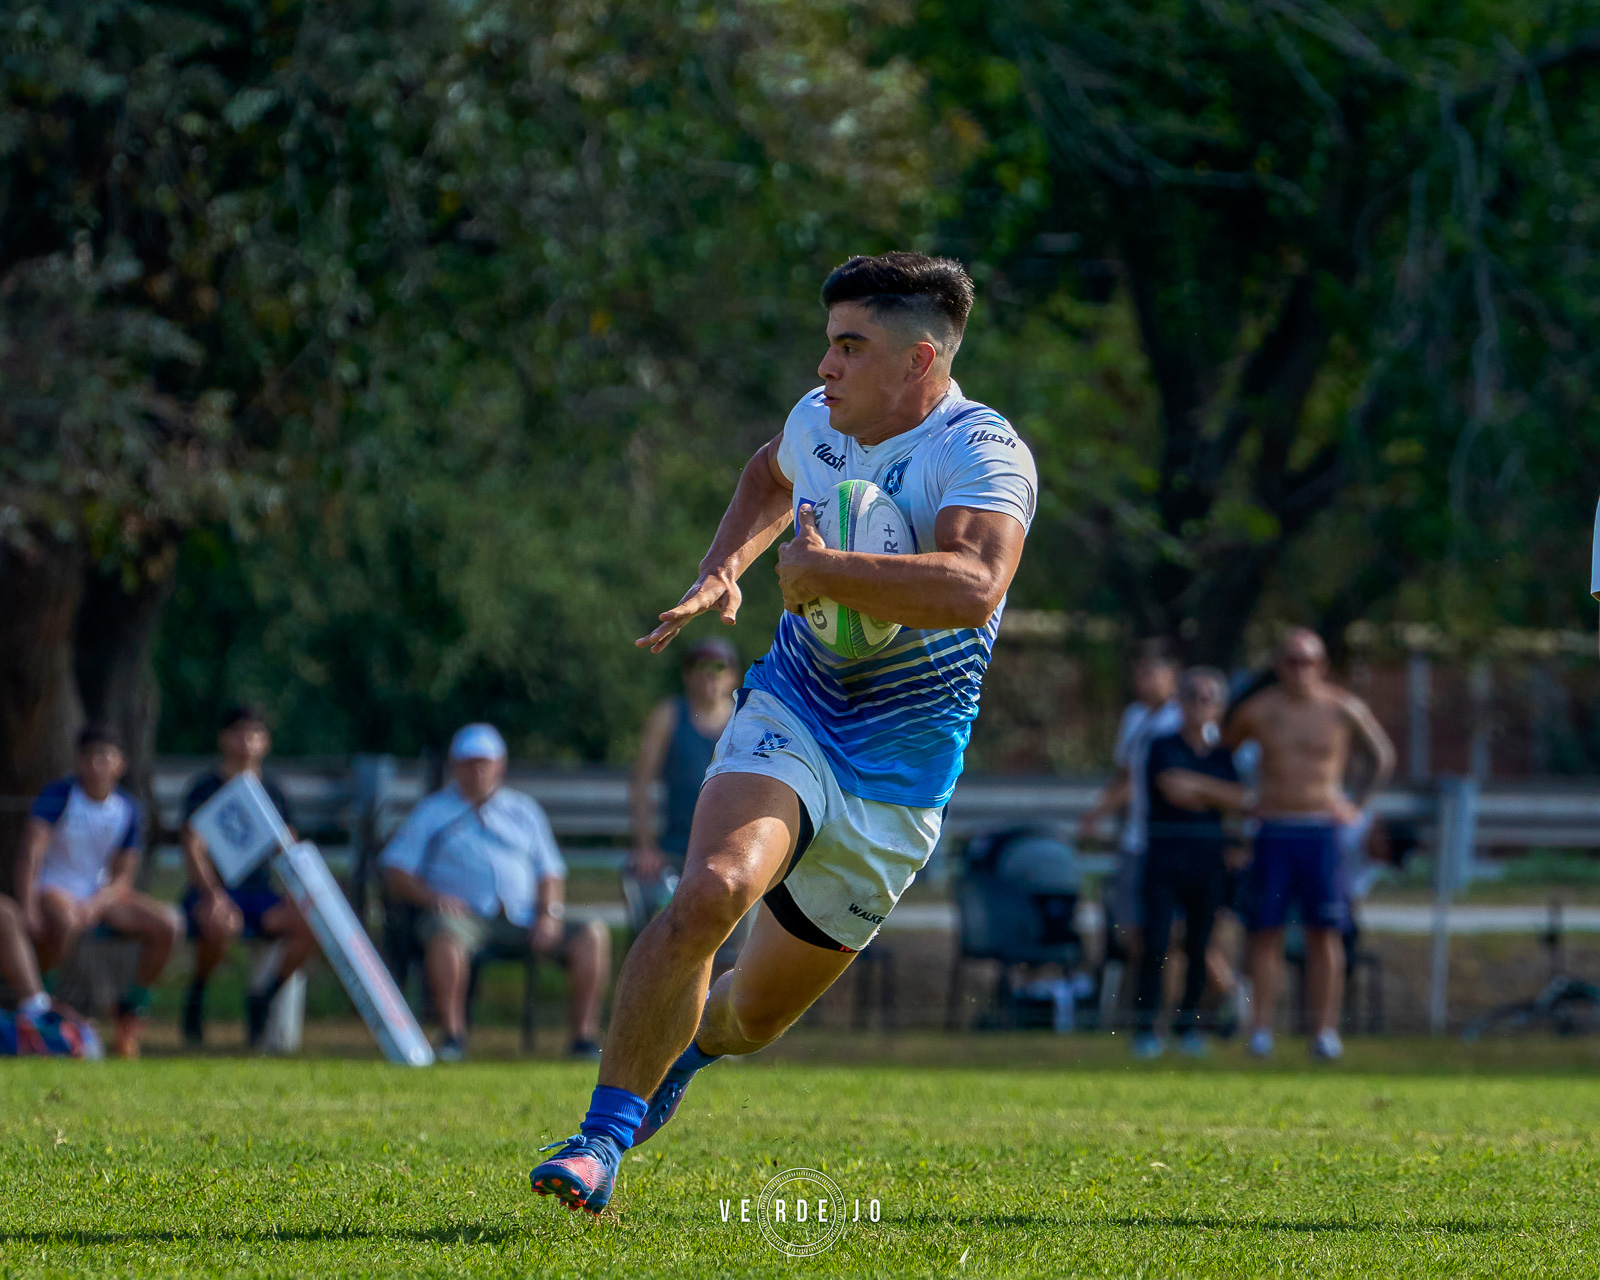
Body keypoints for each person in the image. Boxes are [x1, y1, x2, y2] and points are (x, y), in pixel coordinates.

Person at [530, 251, 1035, 1215]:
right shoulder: (819, 423)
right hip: (793, 714)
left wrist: (827, 574)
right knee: (713, 890)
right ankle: (600, 1139)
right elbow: (768, 475)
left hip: (897, 779)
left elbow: (976, 588)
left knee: (751, 1018)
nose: (827, 367)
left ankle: (690, 1052)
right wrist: (727, 566)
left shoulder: (982, 453)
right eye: (829, 343)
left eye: (852, 347)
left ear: (920, 360)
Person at [381, 723, 611, 1062]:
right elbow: (396, 871)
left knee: (593, 934)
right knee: (445, 937)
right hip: (463, 920)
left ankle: (583, 1038)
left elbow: (550, 871)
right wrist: (434, 899)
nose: (477, 770)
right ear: (454, 766)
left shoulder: (524, 811)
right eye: (468, 763)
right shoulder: (433, 811)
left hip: (524, 918)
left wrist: (549, 914)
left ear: (500, 765)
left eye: (484, 762)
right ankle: (453, 1037)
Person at [1224, 628, 1396, 1061]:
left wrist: (1355, 803)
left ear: (1321, 665)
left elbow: (1382, 756)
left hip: (1322, 830)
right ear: (1278, 665)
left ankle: (1324, 1032)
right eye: (1290, 661)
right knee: (1266, 932)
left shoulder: (1342, 708)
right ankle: (1260, 1029)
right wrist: (1241, 805)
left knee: (1325, 933)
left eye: (1308, 661)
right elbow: (1222, 755)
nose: (1299, 670)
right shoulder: (1259, 711)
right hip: (1275, 829)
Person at [17, 724, 180, 1058]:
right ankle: (43, 1011)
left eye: (105, 756)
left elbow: (123, 877)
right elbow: (32, 853)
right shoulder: (59, 795)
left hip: (100, 894)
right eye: (90, 756)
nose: (97, 764)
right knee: (68, 922)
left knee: (168, 925)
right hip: (56, 886)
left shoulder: (129, 809)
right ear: (78, 761)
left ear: (120, 763)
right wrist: (29, 904)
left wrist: (96, 902)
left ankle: (130, 1014)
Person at [179, 705, 318, 1048]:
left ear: (266, 742)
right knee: (220, 923)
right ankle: (198, 992)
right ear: (223, 739)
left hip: (260, 895)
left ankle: (265, 998)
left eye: (255, 733)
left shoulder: (273, 791)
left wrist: (296, 892)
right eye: (239, 732)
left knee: (313, 923)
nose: (247, 741)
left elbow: (288, 849)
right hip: (212, 893)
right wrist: (213, 894)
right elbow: (193, 846)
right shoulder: (204, 788)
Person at [1132, 667, 1253, 1059]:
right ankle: (1146, 1028)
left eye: (1208, 699)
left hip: (1208, 861)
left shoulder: (1223, 756)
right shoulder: (1161, 745)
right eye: (1192, 698)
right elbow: (1171, 789)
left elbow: (1241, 799)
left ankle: (1189, 1028)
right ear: (1180, 704)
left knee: (1202, 944)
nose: (1199, 706)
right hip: (1165, 857)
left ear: (1218, 707)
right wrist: (1215, 796)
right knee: (1157, 941)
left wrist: (1200, 787)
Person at [1078, 644, 1181, 945]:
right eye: (1139, 673)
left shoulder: (1180, 721)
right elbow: (1124, 774)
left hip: (1167, 842)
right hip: (1135, 839)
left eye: (1150, 673)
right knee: (1130, 927)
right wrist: (1097, 814)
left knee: (1171, 932)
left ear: (1171, 676)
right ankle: (1140, 991)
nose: (1141, 680)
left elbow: (1139, 784)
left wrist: (1099, 814)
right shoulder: (1135, 716)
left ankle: (1226, 990)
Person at [628, 636, 742, 879]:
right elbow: (641, 783)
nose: (711, 674)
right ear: (687, 675)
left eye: (719, 666)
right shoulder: (667, 716)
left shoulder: (746, 721)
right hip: (677, 848)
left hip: (733, 848)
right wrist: (646, 847)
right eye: (702, 666)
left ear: (733, 675)